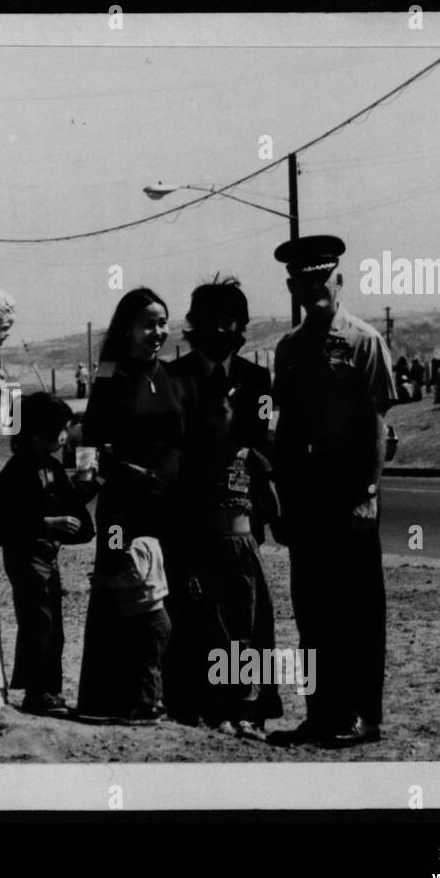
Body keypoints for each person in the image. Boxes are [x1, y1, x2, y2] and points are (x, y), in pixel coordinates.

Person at [267, 235, 397, 748]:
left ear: (338, 281)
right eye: (303, 280)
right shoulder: (289, 348)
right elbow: (289, 427)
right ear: (292, 286)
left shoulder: (366, 341)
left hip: (350, 485)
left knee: (359, 607)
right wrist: (281, 496)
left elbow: (376, 425)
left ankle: (364, 715)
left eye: (322, 277)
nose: (313, 287)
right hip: (306, 486)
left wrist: (368, 489)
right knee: (313, 607)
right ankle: (322, 713)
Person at [166, 276, 281, 735]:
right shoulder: (172, 379)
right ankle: (200, 707)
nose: (221, 330)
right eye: (210, 321)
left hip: (239, 522)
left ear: (242, 327)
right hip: (189, 521)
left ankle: (248, 710)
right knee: (196, 614)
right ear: (194, 325)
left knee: (246, 617)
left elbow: (265, 446)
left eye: (230, 321)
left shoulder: (258, 380)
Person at [75, 287, 185, 723]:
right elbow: (91, 440)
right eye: (147, 323)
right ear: (128, 329)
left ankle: (164, 696)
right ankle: (112, 699)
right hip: (124, 504)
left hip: (169, 501)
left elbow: (182, 437)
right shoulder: (109, 375)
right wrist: (103, 479)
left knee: (165, 597)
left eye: (162, 322)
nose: (156, 331)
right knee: (123, 591)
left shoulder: (175, 376)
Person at [0, 393, 96, 715]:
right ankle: (37, 694)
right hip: (25, 557)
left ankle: (49, 690)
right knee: (39, 624)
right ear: (37, 434)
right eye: (60, 430)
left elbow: (77, 514)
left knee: (53, 626)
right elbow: (4, 525)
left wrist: (86, 487)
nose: (65, 436)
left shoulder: (51, 466)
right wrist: (49, 522)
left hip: (46, 557)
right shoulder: (16, 472)